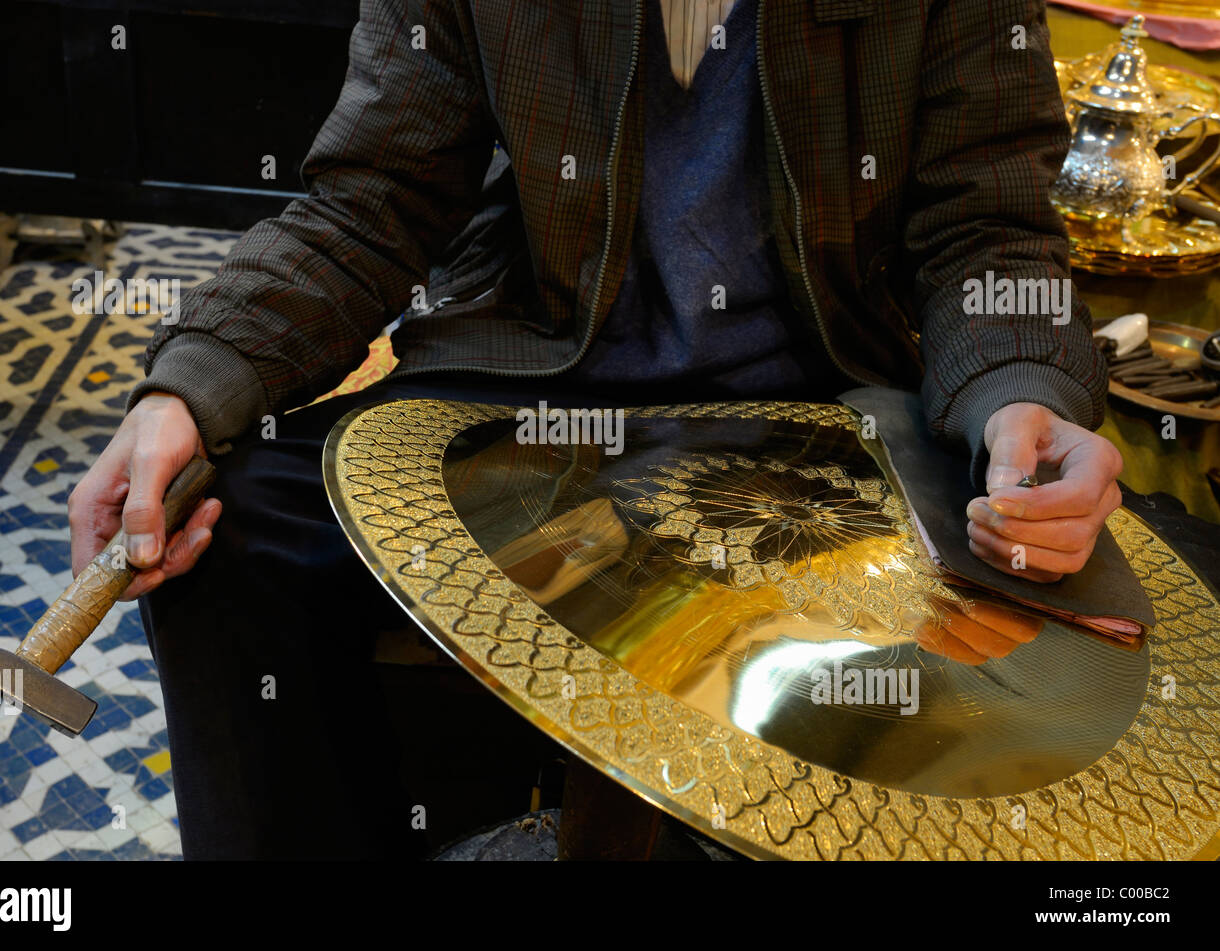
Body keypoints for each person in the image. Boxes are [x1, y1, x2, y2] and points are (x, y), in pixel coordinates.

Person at [67, 0, 1121, 857]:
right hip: (529, 380)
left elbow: (985, 225)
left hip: (824, 413)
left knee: (1053, 648)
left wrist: (1018, 394)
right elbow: (372, 205)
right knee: (226, 528)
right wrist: (186, 392)